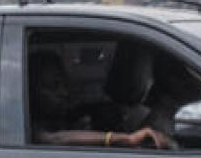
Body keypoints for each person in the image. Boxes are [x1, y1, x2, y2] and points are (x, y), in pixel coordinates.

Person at [29, 50, 171, 148]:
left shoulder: (67, 115)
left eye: (64, 84)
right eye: (53, 87)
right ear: (31, 91)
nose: (64, 92)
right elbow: (52, 139)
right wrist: (125, 139)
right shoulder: (26, 124)